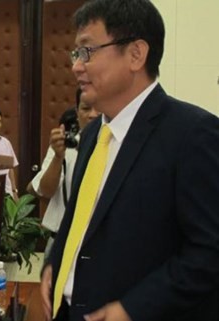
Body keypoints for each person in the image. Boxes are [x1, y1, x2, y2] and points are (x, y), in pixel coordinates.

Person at [40, 1, 219, 321]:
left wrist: (132, 309)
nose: (77, 67)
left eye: (87, 51)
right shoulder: (94, 132)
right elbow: (81, 219)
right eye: (76, 54)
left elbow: (209, 251)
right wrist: (54, 263)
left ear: (136, 54)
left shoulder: (193, 134)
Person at [28, 89, 99, 258]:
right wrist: (58, 157)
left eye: (99, 108)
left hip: (100, 244)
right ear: (77, 112)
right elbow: (45, 190)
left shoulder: (119, 146)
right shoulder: (64, 146)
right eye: (86, 109)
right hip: (62, 241)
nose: (93, 115)